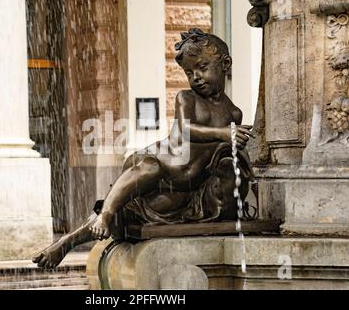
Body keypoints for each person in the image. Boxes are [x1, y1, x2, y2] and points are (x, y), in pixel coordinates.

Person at [32, 28, 254, 270]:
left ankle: (68, 242)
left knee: (127, 216)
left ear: (225, 64)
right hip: (160, 163)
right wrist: (225, 133)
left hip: (183, 185)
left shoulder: (234, 113)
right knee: (140, 177)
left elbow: (221, 153)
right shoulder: (186, 98)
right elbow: (187, 130)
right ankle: (105, 212)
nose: (196, 77)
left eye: (201, 67)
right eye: (189, 72)